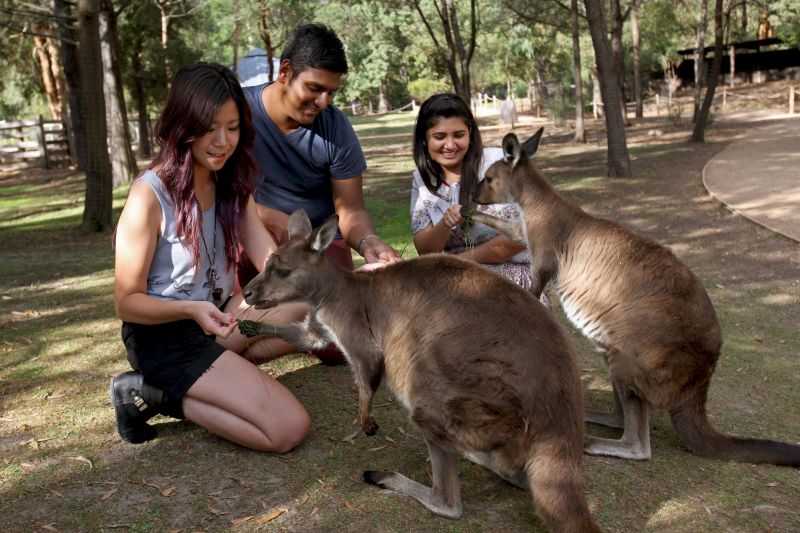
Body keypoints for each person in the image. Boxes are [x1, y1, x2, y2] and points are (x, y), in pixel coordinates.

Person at [109, 62, 310, 450]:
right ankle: (155, 393)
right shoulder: (149, 195)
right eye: (210, 127)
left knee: (304, 303)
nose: (222, 141)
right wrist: (190, 310)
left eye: (232, 128)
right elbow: (126, 303)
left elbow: (272, 264)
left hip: (215, 318)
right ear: (184, 125)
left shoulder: (232, 184)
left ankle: (217, 380)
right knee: (287, 428)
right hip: (165, 335)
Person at [242, 23, 401, 270]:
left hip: (320, 244)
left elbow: (351, 209)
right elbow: (208, 194)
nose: (324, 102)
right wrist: (269, 217)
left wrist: (368, 241)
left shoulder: (335, 128)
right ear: (285, 72)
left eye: (331, 93)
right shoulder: (236, 115)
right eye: (315, 89)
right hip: (249, 234)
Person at [410, 93, 550, 306]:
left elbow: (522, 235)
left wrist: (457, 263)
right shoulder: (423, 180)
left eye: (459, 135)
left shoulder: (498, 165)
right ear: (425, 139)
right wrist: (445, 225)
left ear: (470, 134)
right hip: (450, 279)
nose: (450, 145)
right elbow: (425, 250)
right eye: (439, 137)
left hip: (511, 278)